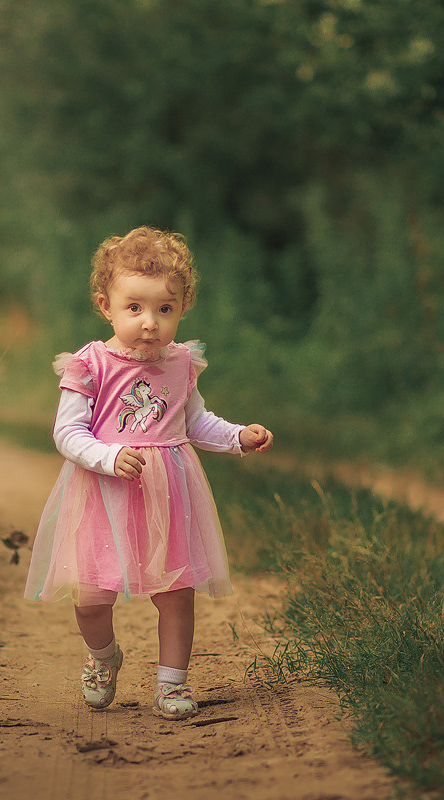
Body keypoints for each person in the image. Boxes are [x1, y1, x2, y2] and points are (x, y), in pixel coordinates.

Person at [24, 226, 274, 720]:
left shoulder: (181, 363)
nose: (150, 322)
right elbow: (67, 432)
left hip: (168, 494)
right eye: (134, 307)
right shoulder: (90, 364)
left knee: (176, 592)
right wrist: (108, 457)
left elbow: (194, 422)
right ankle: (102, 656)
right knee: (92, 596)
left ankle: (172, 683)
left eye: (165, 309)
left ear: (182, 309)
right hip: (105, 493)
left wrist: (237, 437)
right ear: (106, 306)